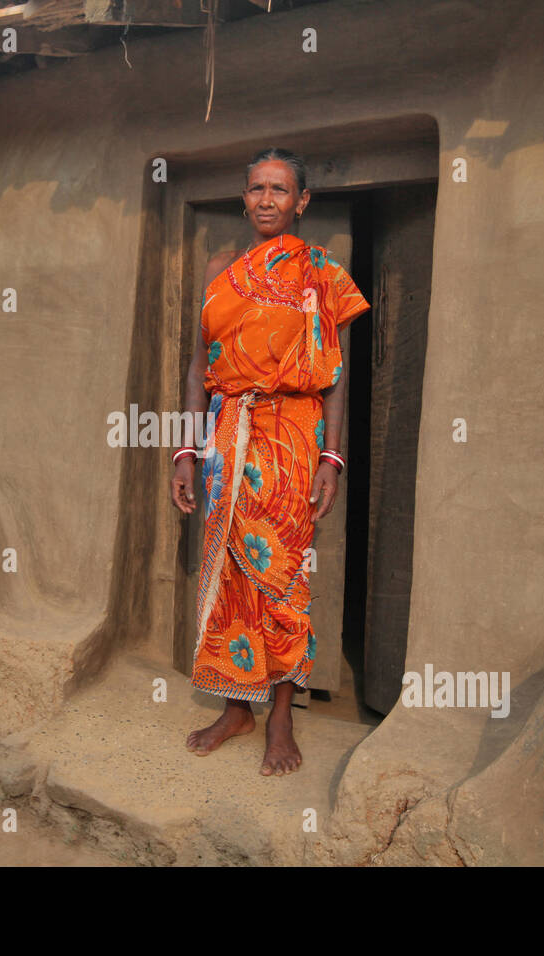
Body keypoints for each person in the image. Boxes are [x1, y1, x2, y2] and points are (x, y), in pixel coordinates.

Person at [170, 147, 371, 776]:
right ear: (245, 196)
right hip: (228, 437)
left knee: (282, 576)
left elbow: (334, 377)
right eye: (256, 188)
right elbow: (200, 366)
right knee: (233, 574)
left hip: (292, 435)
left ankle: (280, 717)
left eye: (279, 190)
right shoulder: (221, 268)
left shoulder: (323, 275)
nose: (265, 199)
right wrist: (185, 450)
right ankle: (237, 707)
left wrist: (332, 457)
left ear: (301, 201)